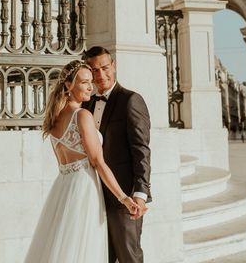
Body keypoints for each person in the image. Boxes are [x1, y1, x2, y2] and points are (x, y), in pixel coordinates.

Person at [25, 60, 138, 263]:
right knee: (84, 250)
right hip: (85, 188)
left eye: (90, 82)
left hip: (63, 187)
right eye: (84, 82)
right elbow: (98, 162)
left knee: (64, 247)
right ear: (69, 85)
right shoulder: (82, 115)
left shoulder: (53, 120)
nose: (91, 87)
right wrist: (124, 198)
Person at [83, 46, 152, 263]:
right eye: (94, 70)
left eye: (105, 68)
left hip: (124, 195)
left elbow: (141, 150)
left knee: (128, 256)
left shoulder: (131, 100)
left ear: (114, 66)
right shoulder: (87, 104)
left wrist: (140, 193)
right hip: (92, 194)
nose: (101, 75)